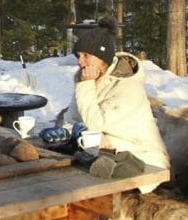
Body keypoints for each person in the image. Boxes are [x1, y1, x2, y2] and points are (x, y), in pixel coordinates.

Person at [60, 18, 169, 192]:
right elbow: (71, 119)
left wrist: (85, 85)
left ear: (102, 58)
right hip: (100, 154)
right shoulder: (88, 80)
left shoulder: (127, 87)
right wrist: (65, 134)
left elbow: (96, 124)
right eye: (78, 56)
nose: (80, 62)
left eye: (86, 56)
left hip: (141, 161)